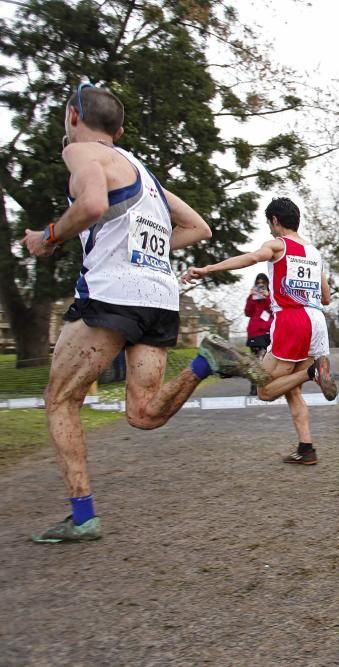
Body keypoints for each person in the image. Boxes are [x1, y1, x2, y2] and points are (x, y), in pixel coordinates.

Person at [22, 83, 268, 543]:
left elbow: (93, 205)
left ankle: (83, 516)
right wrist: (134, 248)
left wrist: (49, 236)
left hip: (114, 294)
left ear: (74, 117)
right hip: (158, 295)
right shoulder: (144, 173)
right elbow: (198, 228)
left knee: (59, 400)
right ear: (117, 128)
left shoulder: (82, 153)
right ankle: (206, 361)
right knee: (143, 413)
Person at [183, 197, 338, 466]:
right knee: (292, 389)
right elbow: (326, 298)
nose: (269, 228)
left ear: (275, 220)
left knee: (265, 390)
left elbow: (253, 258)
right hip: (316, 322)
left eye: (269, 223)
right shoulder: (315, 254)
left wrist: (207, 270)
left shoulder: (278, 245)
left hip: (291, 320)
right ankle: (307, 448)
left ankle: (313, 372)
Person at [245, 273, 273, 396]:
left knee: (267, 359)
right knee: (256, 360)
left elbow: (273, 309)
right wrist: (251, 296)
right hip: (255, 332)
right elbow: (247, 312)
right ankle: (254, 387)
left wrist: (267, 297)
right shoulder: (252, 297)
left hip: (268, 331)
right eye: (258, 283)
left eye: (263, 283)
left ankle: (267, 386)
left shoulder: (272, 296)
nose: (261, 285)